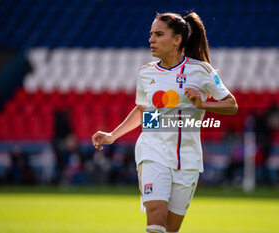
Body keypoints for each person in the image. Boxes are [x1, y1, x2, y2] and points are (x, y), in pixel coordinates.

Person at [92, 12, 238, 233]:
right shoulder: (145, 73)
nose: (151, 39)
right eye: (151, 34)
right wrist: (113, 135)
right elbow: (143, 110)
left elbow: (231, 105)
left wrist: (202, 105)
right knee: (155, 220)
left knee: (171, 229)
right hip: (152, 151)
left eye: (159, 34)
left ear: (177, 39)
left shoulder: (201, 71)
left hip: (188, 159)